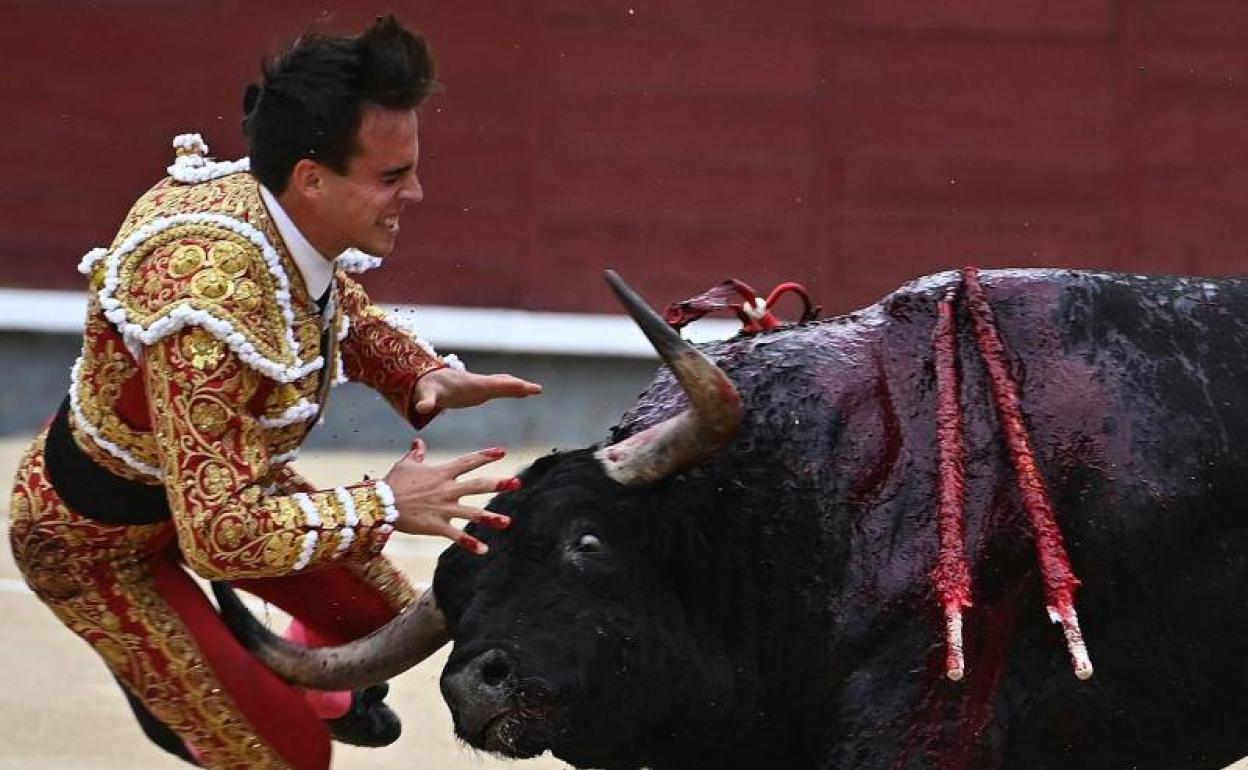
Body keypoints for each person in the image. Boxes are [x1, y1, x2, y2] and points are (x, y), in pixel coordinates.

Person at [8, 15, 541, 770]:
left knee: (391, 619)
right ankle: (191, 707)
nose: (416, 193)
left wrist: (414, 371)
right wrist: (387, 504)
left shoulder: (272, 204)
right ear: (313, 177)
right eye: (391, 177)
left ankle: (287, 687)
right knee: (289, 758)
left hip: (214, 482)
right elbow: (219, 533)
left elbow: (326, 299)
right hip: (97, 545)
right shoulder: (209, 302)